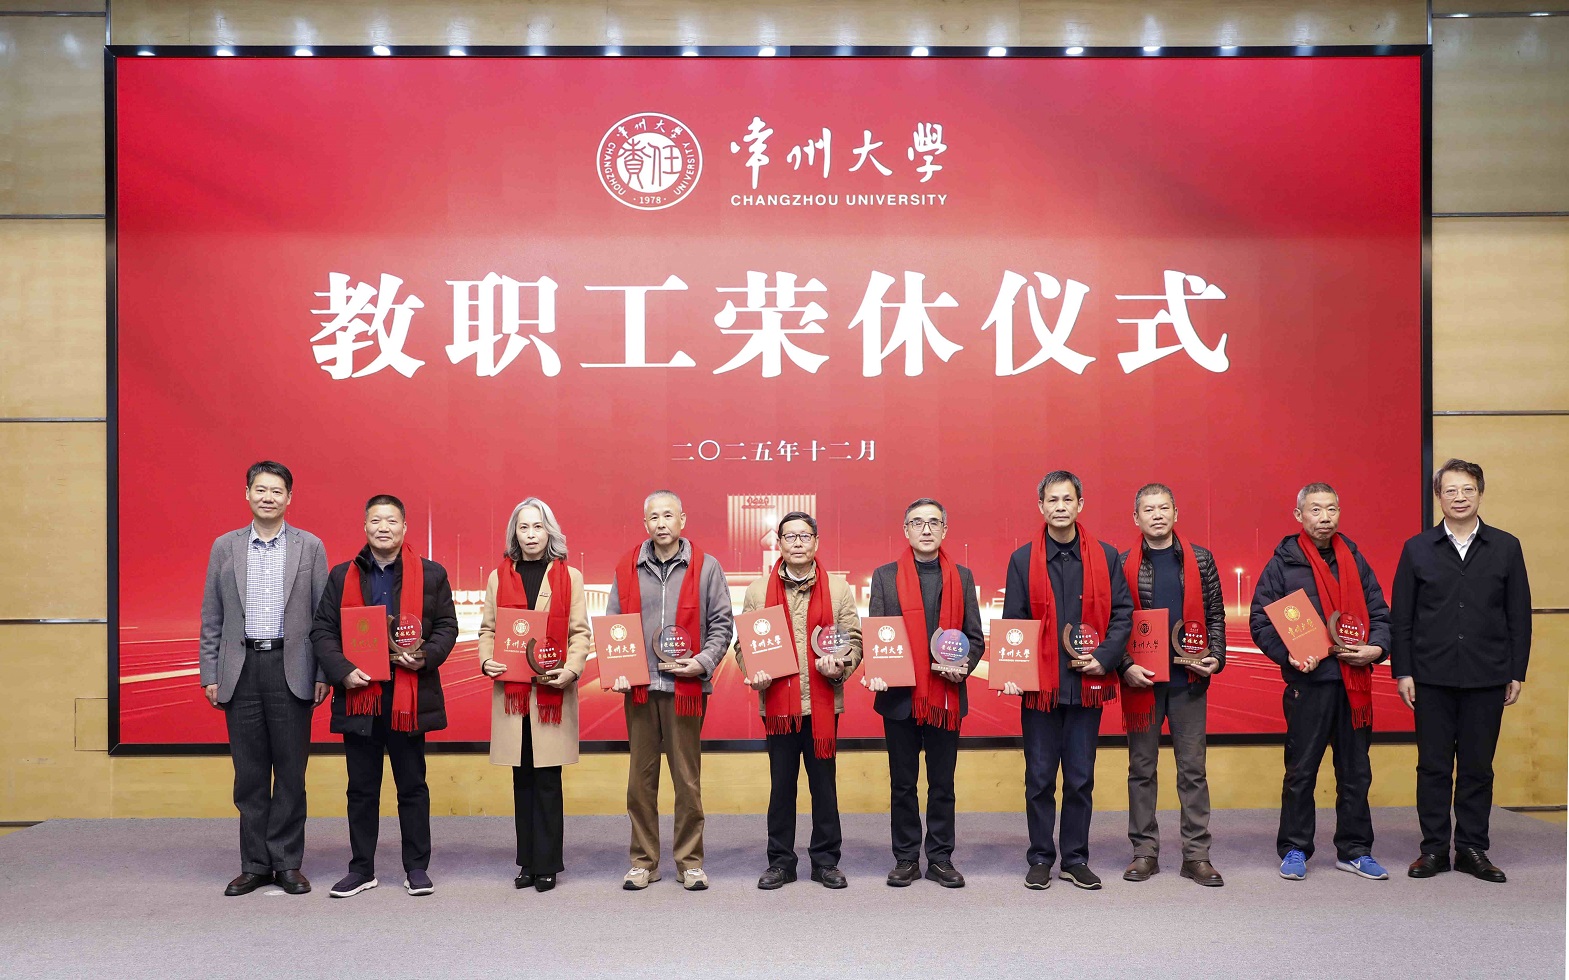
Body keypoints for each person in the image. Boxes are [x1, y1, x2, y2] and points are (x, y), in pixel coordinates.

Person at [311, 494, 458, 899]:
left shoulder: (431, 574)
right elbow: (322, 630)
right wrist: (343, 670)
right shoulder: (342, 576)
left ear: (404, 527)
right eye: (375, 520)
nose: (383, 527)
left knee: (412, 785)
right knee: (361, 788)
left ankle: (416, 868)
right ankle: (361, 869)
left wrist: (425, 656)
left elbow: (447, 626)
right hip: (360, 693)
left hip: (409, 694)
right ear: (365, 527)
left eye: (391, 520)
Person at [1392, 459, 1532, 883]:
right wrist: (1403, 671)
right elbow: (1402, 616)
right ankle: (1433, 849)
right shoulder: (1417, 548)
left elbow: (1518, 615)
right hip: (1430, 676)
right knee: (1433, 767)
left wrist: (1516, 671)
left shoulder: (1506, 546)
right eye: (1450, 490)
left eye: (1468, 489)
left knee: (1477, 767)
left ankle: (1472, 848)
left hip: (1487, 675)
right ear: (1439, 496)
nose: (1459, 497)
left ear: (1480, 494)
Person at [199, 461, 329, 897]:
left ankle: (287, 862)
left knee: (291, 773)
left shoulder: (310, 546)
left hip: (292, 669)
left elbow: (323, 618)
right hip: (241, 669)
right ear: (247, 494)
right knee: (250, 774)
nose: (268, 497)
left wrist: (322, 671)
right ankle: (254, 864)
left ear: (289, 498)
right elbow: (212, 615)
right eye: (260, 489)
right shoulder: (225, 546)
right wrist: (210, 672)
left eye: (276, 491)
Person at [1250, 482, 1391, 882]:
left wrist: (1377, 649)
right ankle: (1295, 848)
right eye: (1315, 510)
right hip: (1308, 683)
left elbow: (1380, 614)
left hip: (1353, 683)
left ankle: (1355, 850)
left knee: (1356, 772)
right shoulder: (1282, 564)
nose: (1324, 518)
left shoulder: (1355, 560)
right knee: (1301, 772)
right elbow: (1261, 620)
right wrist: (1288, 655)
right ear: (1299, 515)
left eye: (1331, 509)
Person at [1001, 471, 1133, 891]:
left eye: (1067, 499)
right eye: (1052, 500)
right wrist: (1011, 674)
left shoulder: (1106, 556)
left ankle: (1075, 858)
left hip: (1086, 685)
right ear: (1041, 507)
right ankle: (1041, 856)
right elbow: (1014, 622)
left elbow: (1123, 614)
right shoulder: (1022, 559)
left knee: (1080, 779)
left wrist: (1104, 659)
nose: (1060, 507)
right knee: (1039, 778)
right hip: (1040, 690)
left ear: (1080, 505)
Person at [605, 490, 734, 891]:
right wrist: (618, 669)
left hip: (686, 689)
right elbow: (614, 623)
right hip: (641, 688)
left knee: (687, 781)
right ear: (645, 523)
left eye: (668, 515)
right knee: (640, 782)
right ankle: (643, 861)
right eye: (653, 517)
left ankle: (690, 862)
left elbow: (722, 624)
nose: (661, 523)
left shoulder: (706, 566)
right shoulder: (627, 566)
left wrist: (703, 662)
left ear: (682, 520)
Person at [737, 511, 863, 890]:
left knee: (824, 787)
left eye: (804, 536)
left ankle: (825, 861)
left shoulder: (838, 589)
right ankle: (780, 862)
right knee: (781, 787)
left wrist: (840, 667)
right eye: (789, 536)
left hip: (822, 704)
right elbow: (744, 645)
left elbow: (854, 640)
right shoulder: (757, 591)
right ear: (779, 543)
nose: (797, 543)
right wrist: (754, 670)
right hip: (778, 707)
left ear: (816, 542)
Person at [865, 498, 984, 888]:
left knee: (942, 784)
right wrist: (877, 671)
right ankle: (905, 858)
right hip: (899, 698)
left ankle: (940, 858)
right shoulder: (885, 577)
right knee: (903, 784)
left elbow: (975, 638)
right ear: (906, 530)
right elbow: (878, 635)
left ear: (945, 530)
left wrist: (963, 665)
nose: (926, 529)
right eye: (917, 522)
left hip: (945, 697)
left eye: (934, 522)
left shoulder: (962, 577)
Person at [1116, 483, 1227, 887]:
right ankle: (1144, 852)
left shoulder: (1201, 559)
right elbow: (1115, 621)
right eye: (1148, 509)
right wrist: (1125, 666)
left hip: (1188, 681)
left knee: (1192, 770)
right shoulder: (1122, 563)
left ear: (1176, 514)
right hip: (1141, 683)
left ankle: (1196, 856)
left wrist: (1217, 655)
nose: (1157, 515)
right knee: (1141, 769)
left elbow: (1215, 615)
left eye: (1164, 508)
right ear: (1136, 518)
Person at [478, 497, 592, 892]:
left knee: (547, 779)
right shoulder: (499, 577)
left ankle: (548, 864)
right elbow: (488, 630)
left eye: (538, 526)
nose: (530, 534)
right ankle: (526, 862)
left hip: (550, 692)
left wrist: (571, 669)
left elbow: (580, 633)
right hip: (512, 694)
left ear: (550, 531)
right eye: (524, 527)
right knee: (521, 779)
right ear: (515, 533)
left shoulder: (569, 577)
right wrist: (486, 660)